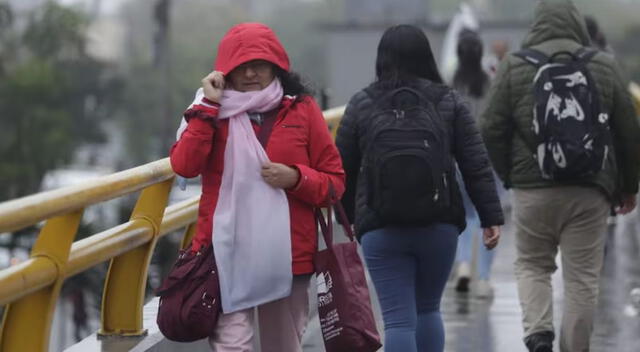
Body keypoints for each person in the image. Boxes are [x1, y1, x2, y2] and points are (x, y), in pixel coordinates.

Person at [170, 22, 345, 352]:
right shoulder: (210, 111)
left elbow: (335, 183)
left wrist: (296, 178)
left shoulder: (302, 110)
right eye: (240, 66)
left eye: (259, 64)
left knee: (282, 346)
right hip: (223, 256)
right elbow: (184, 165)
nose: (250, 73)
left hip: (288, 258)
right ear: (225, 71)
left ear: (276, 65)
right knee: (233, 346)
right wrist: (207, 106)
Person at [480, 1, 640, 351]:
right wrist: (628, 187)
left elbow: (489, 127)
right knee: (582, 277)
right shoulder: (603, 65)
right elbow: (629, 129)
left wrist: (511, 175)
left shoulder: (514, 66)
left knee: (533, 265)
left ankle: (538, 333)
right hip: (590, 189)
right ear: (576, 24)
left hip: (532, 189)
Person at [336, 24, 504, 352]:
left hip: (380, 225)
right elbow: (476, 164)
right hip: (438, 222)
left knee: (398, 319)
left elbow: (342, 167)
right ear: (426, 57)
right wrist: (490, 216)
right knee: (428, 309)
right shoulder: (450, 101)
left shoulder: (361, 103)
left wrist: (350, 219)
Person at [451, 29, 497, 299]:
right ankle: (484, 279)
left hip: (457, 159)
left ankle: (465, 263)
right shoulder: (489, 84)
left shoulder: (450, 85)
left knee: (465, 216)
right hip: (486, 159)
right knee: (487, 217)